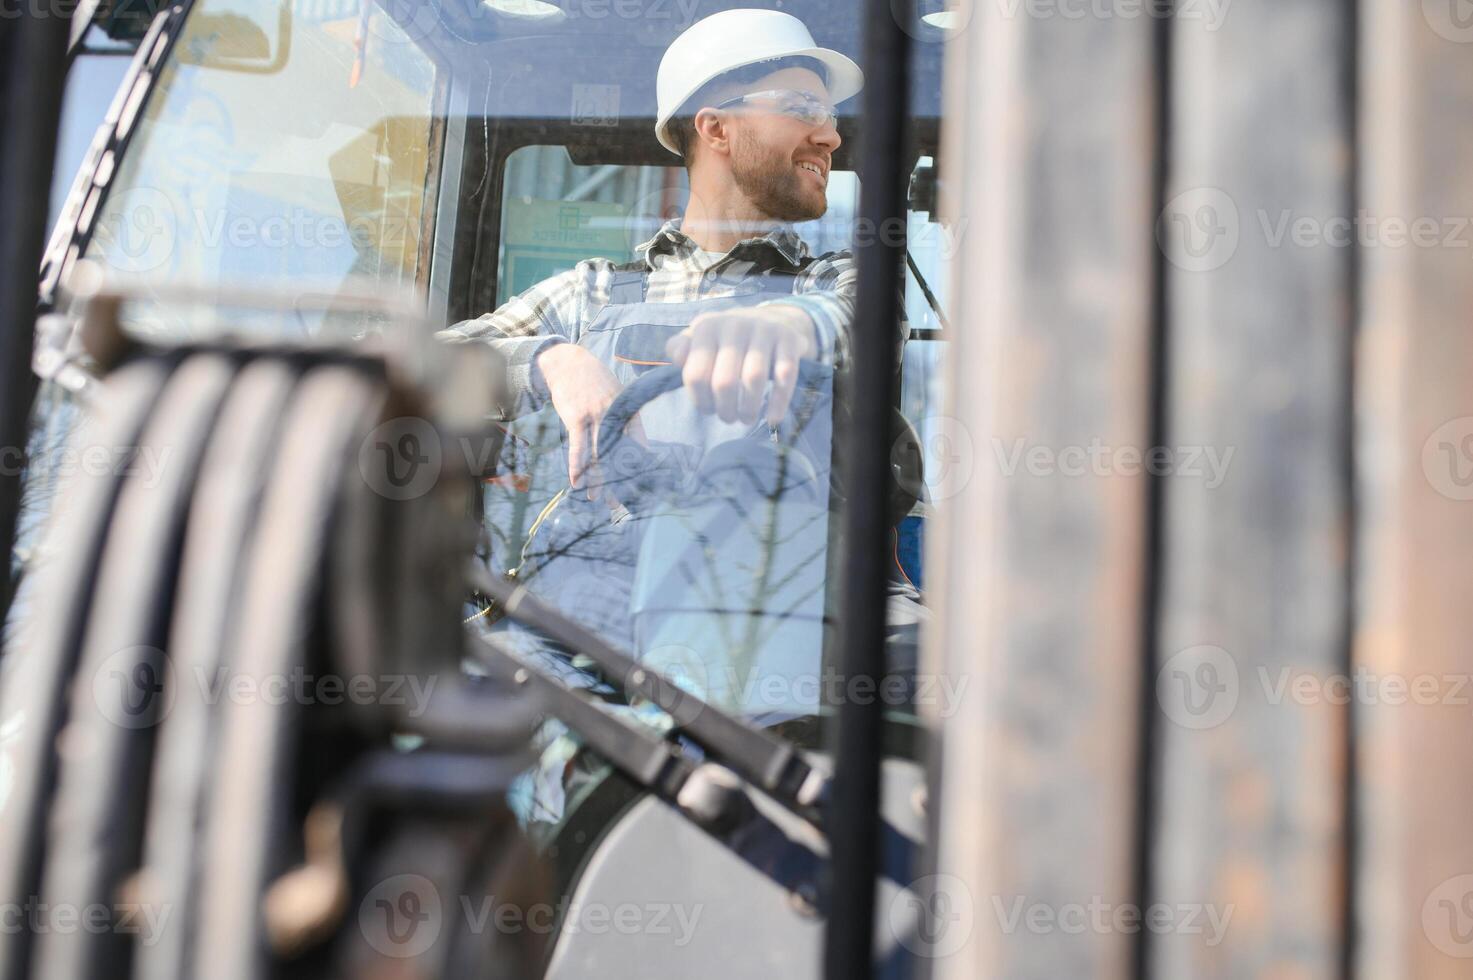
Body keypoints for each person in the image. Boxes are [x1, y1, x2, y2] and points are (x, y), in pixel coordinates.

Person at [443, 8, 919, 719]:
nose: (830, 133)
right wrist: (552, 357)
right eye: (800, 110)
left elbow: (860, 323)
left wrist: (781, 327)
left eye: (829, 116)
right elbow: (430, 362)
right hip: (596, 620)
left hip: (793, 612)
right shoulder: (589, 292)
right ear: (716, 127)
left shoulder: (833, 283)